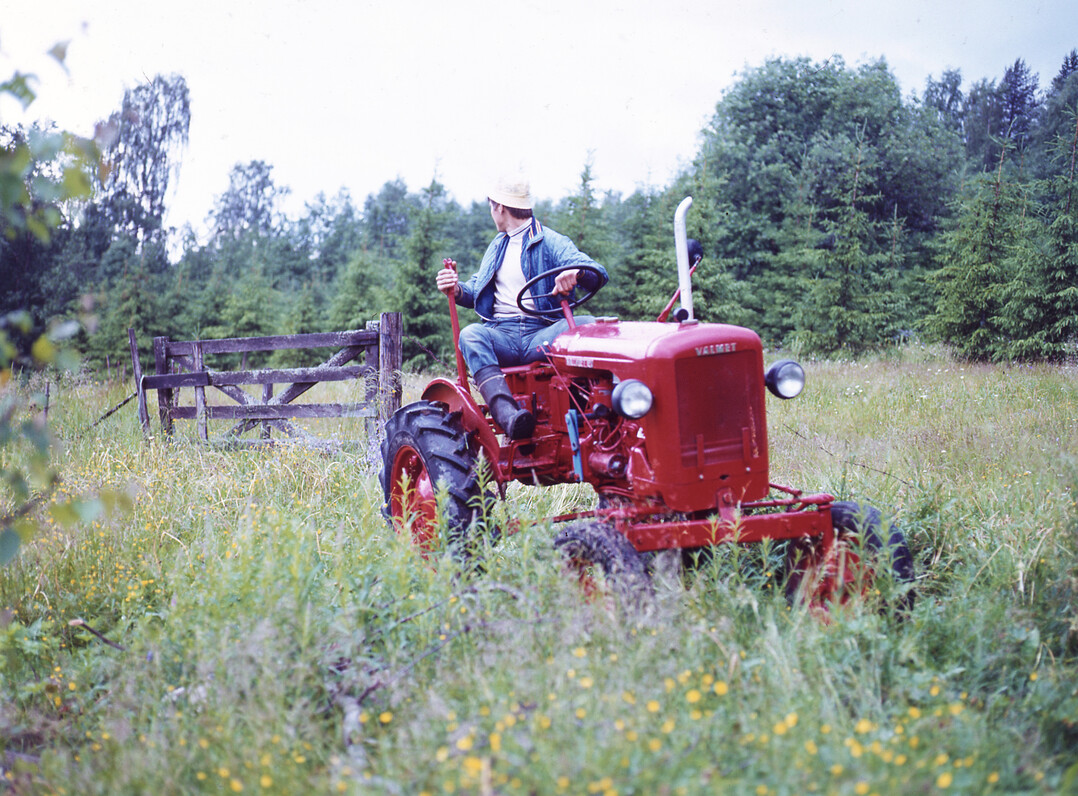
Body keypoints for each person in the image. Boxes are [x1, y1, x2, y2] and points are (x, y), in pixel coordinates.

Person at [436, 176, 608, 439]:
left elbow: (596, 272)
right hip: (501, 335)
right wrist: (456, 288)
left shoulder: (550, 241)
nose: (491, 213)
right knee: (470, 335)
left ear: (500, 207)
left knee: (588, 325)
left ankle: (596, 410)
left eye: (491, 207)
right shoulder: (497, 246)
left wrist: (576, 272)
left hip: (541, 334)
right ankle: (507, 414)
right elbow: (475, 289)